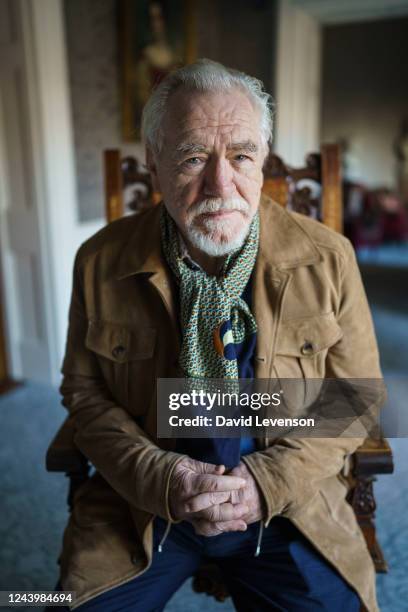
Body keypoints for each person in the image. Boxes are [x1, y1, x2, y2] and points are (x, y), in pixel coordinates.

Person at [54, 59, 384, 611]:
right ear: (154, 166)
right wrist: (162, 475)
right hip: (142, 502)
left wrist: (267, 483)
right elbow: (84, 393)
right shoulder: (99, 261)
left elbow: (357, 396)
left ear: (262, 163)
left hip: (290, 504)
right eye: (191, 158)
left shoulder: (329, 259)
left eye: (241, 156)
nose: (220, 183)